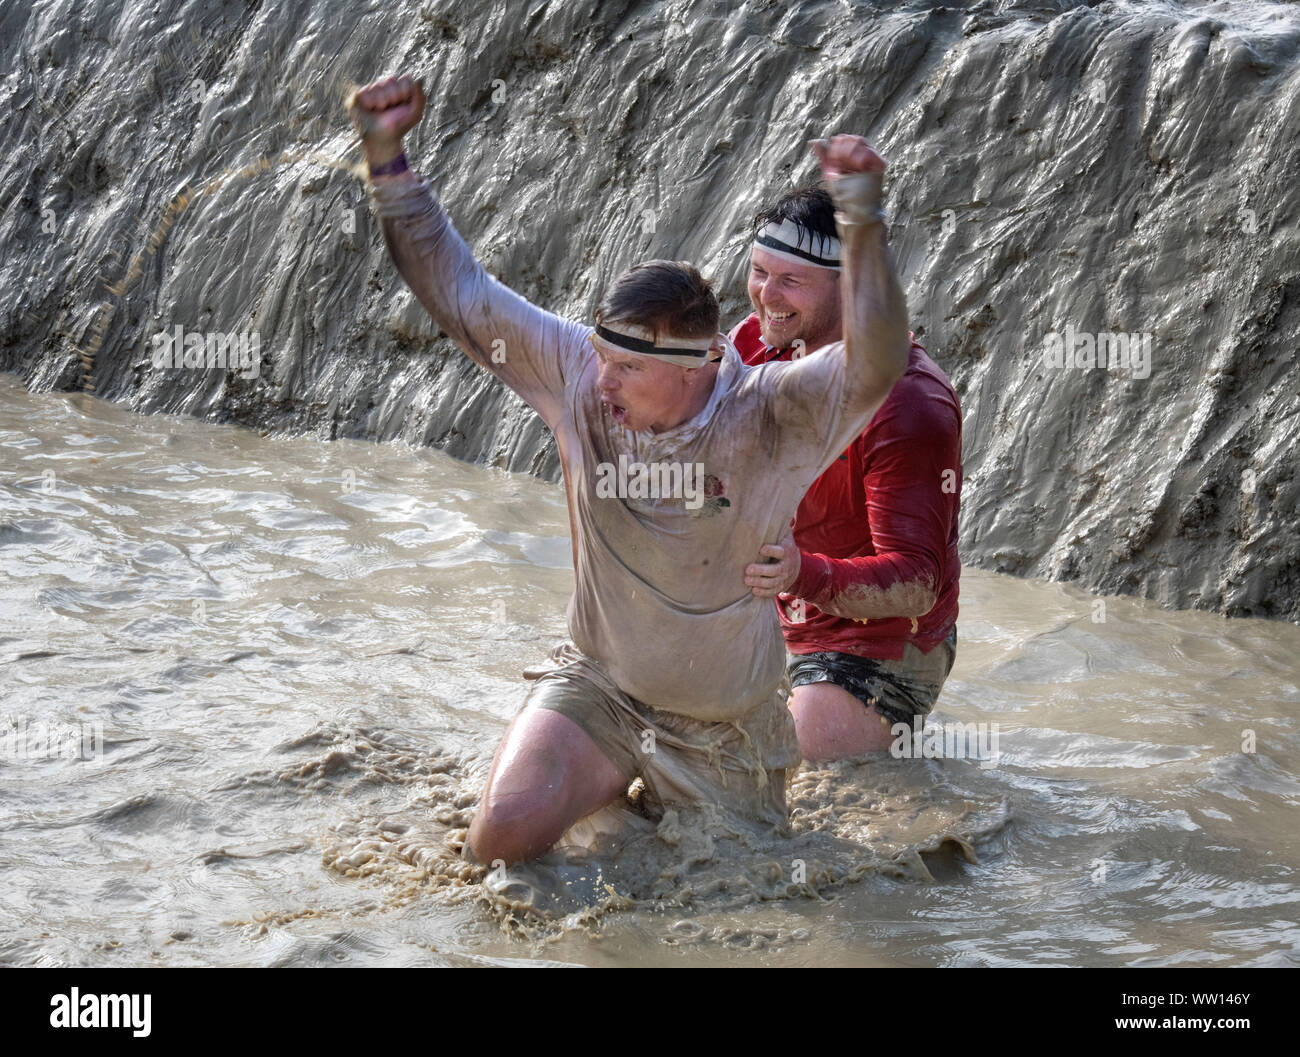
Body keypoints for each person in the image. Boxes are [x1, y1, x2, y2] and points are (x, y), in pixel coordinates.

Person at [350, 74, 910, 865]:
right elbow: (456, 289)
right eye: (599, 358)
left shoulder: (775, 414)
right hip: (600, 688)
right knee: (498, 840)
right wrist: (386, 159)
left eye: (625, 370)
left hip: (723, 728)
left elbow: (879, 358)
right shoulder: (576, 373)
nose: (600, 383)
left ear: (697, 365)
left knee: (724, 909)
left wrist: (862, 223)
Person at [737, 184, 962, 763]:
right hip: (773, 608)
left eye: (791, 282)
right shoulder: (757, 345)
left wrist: (797, 573)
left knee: (780, 785)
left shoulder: (906, 402)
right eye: (760, 272)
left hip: (877, 643)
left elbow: (916, 582)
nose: (767, 298)